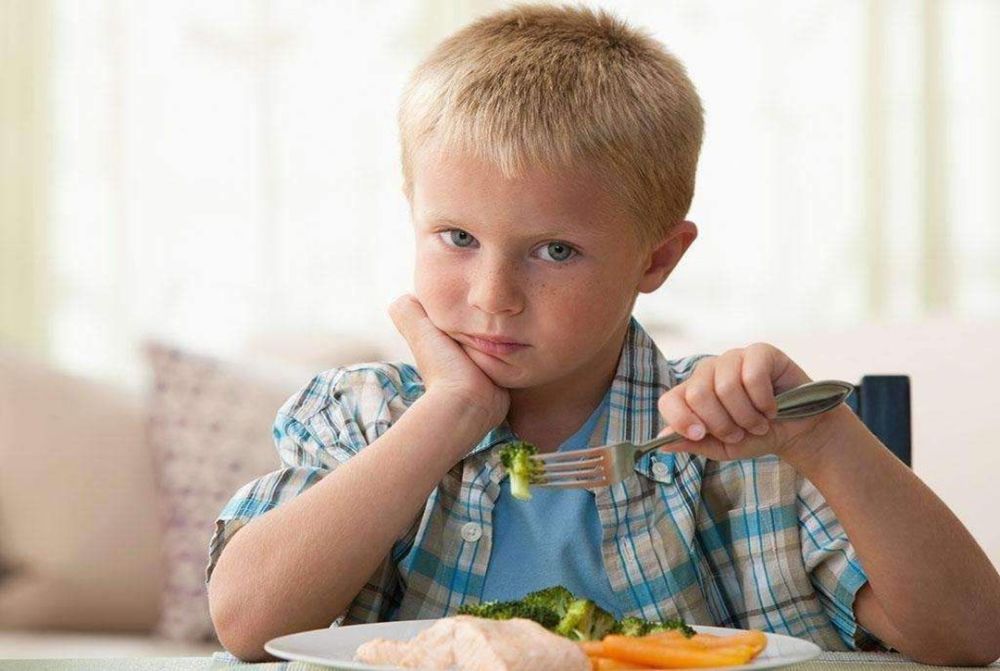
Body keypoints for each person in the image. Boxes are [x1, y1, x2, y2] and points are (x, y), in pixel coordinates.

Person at [205, 4, 1000, 664]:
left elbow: (971, 636)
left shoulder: (730, 442)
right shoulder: (366, 412)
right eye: (456, 237)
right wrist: (448, 412)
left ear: (657, 258)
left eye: (555, 251)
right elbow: (245, 620)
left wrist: (823, 437)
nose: (494, 297)